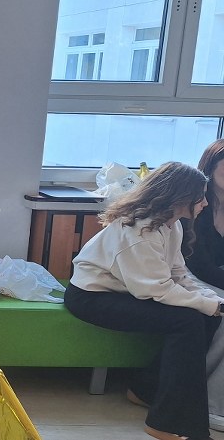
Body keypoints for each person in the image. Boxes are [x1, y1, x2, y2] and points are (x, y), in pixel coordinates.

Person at [66, 161, 224, 440]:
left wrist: (214, 301)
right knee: (187, 321)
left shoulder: (170, 224)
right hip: (92, 297)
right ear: (180, 197)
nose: (205, 204)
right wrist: (209, 304)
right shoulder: (140, 231)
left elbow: (178, 274)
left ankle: (145, 390)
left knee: (206, 315)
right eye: (200, 197)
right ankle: (168, 423)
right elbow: (157, 290)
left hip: (125, 291)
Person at [182, 139, 224, 432]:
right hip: (189, 274)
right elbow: (196, 263)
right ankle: (210, 404)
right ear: (211, 167)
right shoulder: (196, 202)